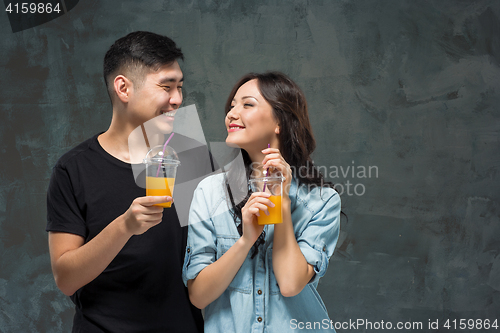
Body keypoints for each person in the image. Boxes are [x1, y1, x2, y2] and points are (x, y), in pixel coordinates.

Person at [46, 31, 213, 332]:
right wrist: (124, 227)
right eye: (166, 87)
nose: (177, 100)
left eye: (180, 87)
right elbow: (66, 278)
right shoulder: (74, 169)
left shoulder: (192, 158)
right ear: (123, 88)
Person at [183, 72, 341, 332]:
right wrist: (245, 241)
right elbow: (198, 296)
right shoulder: (209, 193)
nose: (232, 114)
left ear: (279, 121)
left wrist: (283, 206)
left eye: (247, 104)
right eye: (232, 105)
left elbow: (290, 284)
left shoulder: (321, 201)